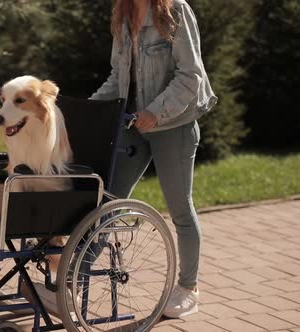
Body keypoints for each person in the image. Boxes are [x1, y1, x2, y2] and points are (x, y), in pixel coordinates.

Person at [89, 0, 217, 318]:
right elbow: (117, 77)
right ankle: (72, 281)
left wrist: (155, 112)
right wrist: (86, 109)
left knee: (180, 210)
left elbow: (191, 76)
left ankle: (189, 289)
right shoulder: (122, 16)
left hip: (173, 123)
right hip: (135, 123)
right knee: (107, 205)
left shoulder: (174, 11)